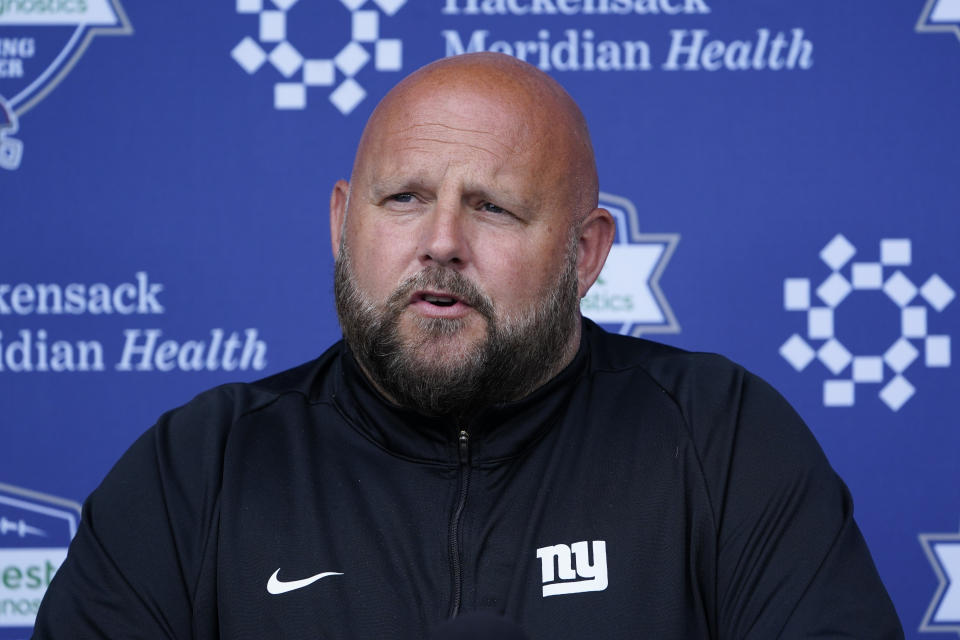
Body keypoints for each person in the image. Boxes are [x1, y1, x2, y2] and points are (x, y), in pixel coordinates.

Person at [33, 53, 903, 639]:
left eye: (493, 206)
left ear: (586, 251)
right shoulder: (199, 467)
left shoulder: (723, 439)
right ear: (343, 223)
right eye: (404, 198)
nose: (441, 240)